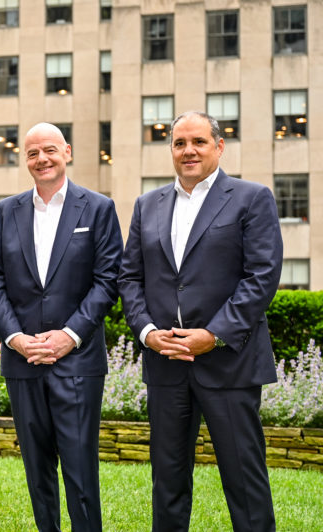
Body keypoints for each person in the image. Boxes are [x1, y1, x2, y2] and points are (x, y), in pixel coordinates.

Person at [118, 111, 282, 532]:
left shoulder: (251, 198)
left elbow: (262, 276)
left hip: (229, 364)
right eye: (179, 143)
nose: (188, 150)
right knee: (168, 480)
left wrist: (214, 334)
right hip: (165, 363)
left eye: (198, 142)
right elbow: (130, 278)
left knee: (244, 478)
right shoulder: (147, 205)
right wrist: (148, 333)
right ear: (171, 150)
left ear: (219, 147)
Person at [0, 122, 122, 532]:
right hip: (22, 361)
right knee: (36, 469)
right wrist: (15, 338)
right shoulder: (5, 212)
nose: (41, 159)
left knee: (80, 470)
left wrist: (69, 336)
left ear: (67, 152)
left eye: (49, 150)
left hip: (77, 361)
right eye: (32, 153)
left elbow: (108, 280)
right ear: (25, 159)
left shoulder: (98, 208)